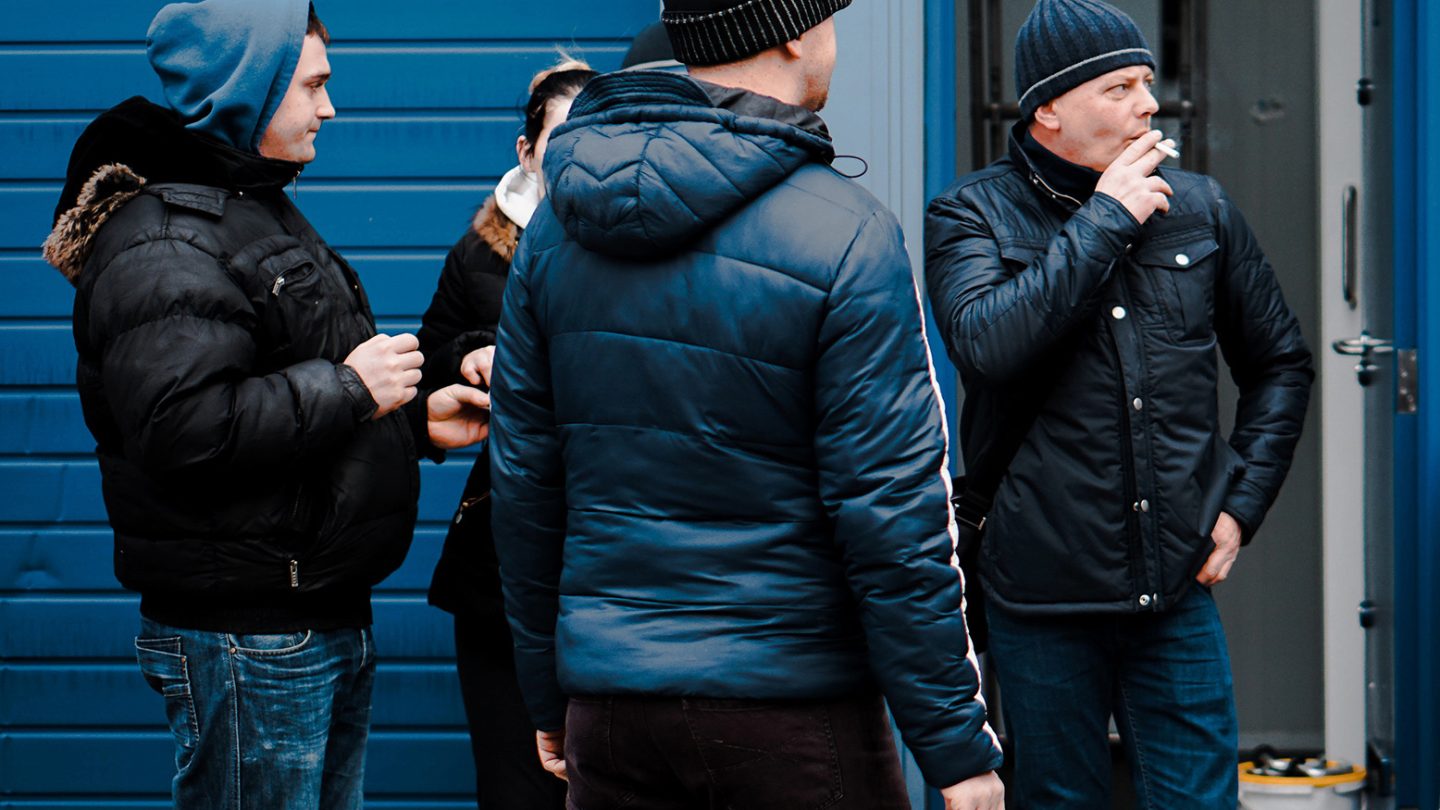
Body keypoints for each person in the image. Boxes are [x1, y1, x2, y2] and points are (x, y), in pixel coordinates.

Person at [487, 1, 1005, 808]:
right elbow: (893, 511)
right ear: (797, 33)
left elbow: (525, 488)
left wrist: (547, 694)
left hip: (615, 710)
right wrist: (956, 749)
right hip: (792, 714)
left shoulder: (555, 229)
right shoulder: (846, 233)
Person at [41, 1, 488, 806]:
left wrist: (415, 424)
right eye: (313, 86)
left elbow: (286, 394)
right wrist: (353, 387)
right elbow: (183, 427)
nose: (330, 107)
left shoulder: (249, 205)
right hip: (250, 635)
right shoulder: (165, 240)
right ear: (251, 89)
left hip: (306, 616)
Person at [923, 0, 1314, 806]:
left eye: (1146, 82)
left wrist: (1240, 506)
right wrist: (1106, 218)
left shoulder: (1201, 207)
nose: (1148, 103)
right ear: (1050, 109)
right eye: (1119, 88)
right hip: (1039, 591)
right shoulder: (970, 215)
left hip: (1174, 589)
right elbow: (986, 347)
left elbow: (1280, 363)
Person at [417, 58, 595, 810]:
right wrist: (468, 356)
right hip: (501, 566)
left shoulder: (644, 243)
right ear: (526, 153)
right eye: (561, 138)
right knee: (516, 786)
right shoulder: (482, 250)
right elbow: (429, 361)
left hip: (609, 567)